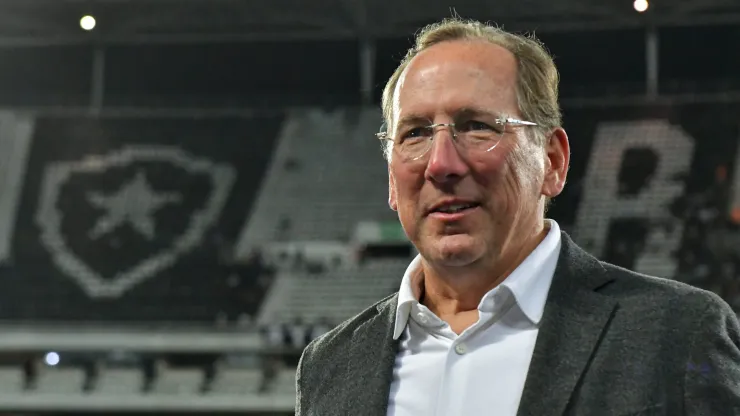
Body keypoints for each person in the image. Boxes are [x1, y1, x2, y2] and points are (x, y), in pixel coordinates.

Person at [295, 17, 740, 416]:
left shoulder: (677, 334)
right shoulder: (329, 365)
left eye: (476, 126)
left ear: (552, 161)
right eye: (415, 133)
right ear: (393, 180)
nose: (441, 163)